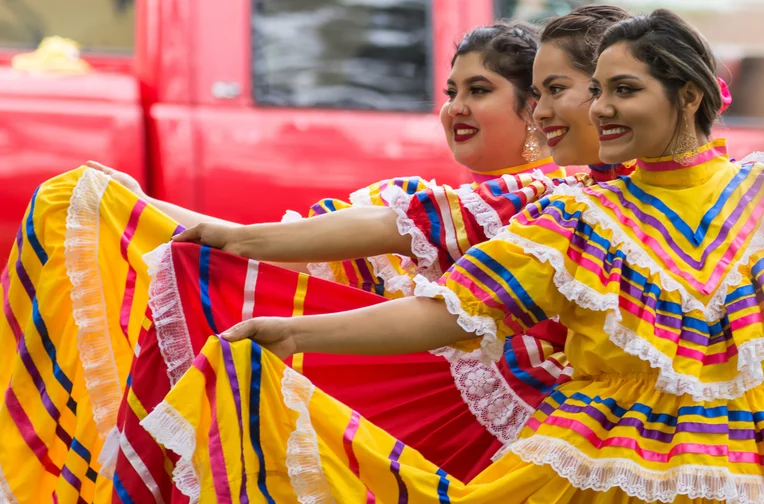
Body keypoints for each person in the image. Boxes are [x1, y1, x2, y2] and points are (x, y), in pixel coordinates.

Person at [153, 8, 764, 503]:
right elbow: (448, 313)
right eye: (597, 91)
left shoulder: (754, 192)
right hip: (599, 471)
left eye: (622, 90)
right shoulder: (578, 218)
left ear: (690, 96)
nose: (599, 108)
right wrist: (293, 333)